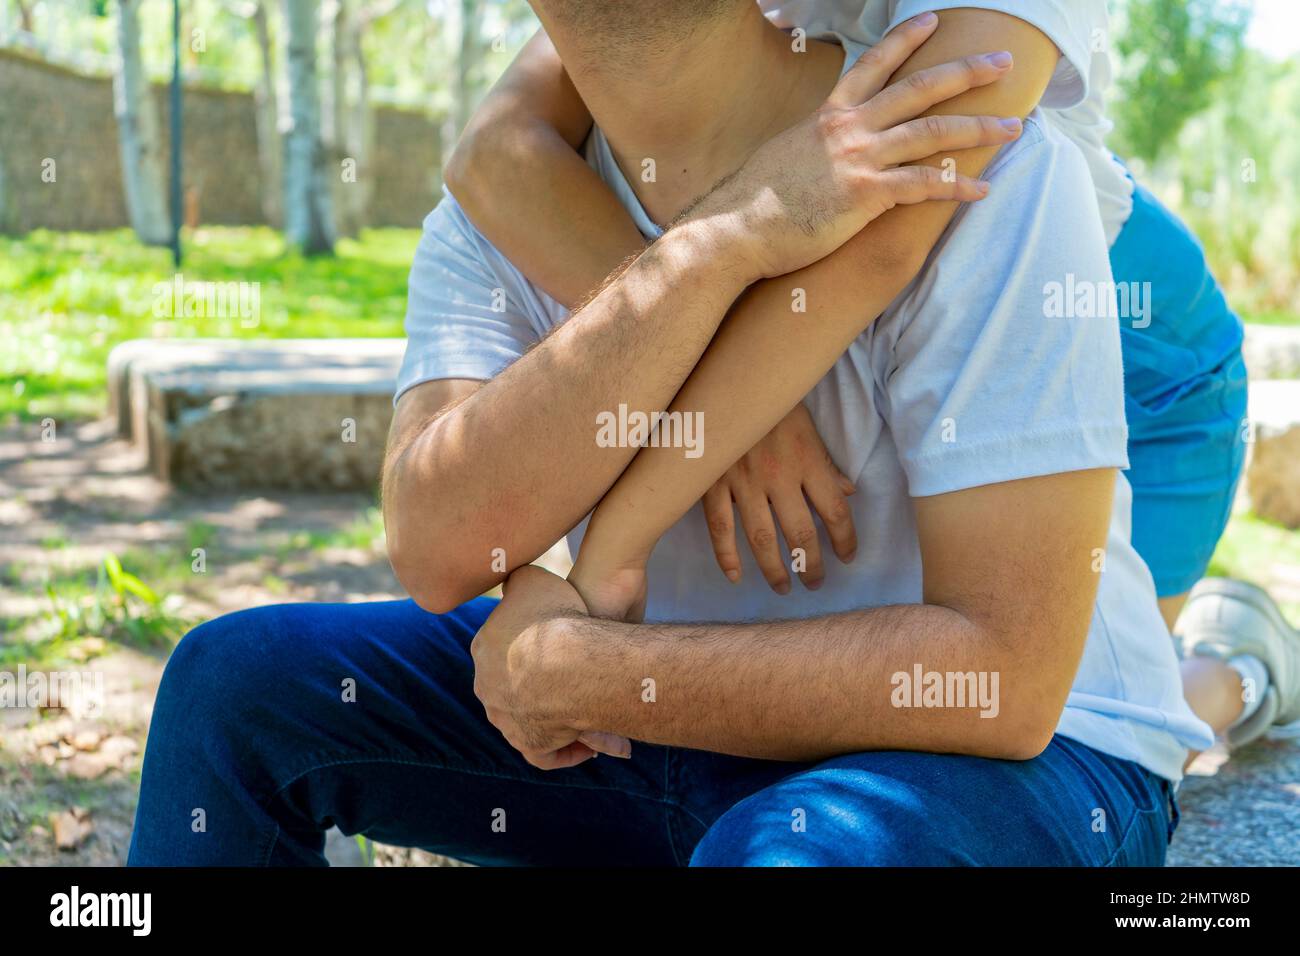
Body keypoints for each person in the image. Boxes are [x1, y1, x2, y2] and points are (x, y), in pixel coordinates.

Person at [446, 0, 1299, 758]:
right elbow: (493, 152)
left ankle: (1246, 671)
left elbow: (899, 215)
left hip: (1151, 359)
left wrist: (614, 549)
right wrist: (692, 353)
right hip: (903, 293)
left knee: (1116, 705)